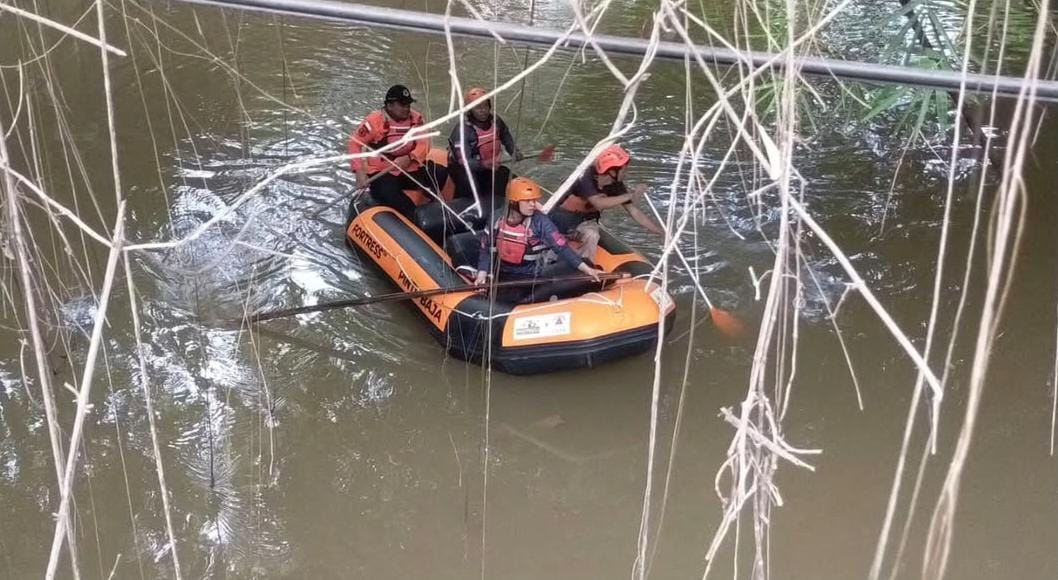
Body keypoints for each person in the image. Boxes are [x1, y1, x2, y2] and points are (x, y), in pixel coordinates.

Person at [475, 177, 603, 287]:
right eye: (527, 201)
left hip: (533, 274)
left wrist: (587, 270)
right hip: (503, 271)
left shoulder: (540, 221)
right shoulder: (496, 218)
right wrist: (482, 272)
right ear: (513, 202)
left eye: (534, 200)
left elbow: (562, 248)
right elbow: (486, 248)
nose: (533, 205)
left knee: (581, 265)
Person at [348, 84, 447, 219]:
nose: (407, 108)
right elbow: (354, 144)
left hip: (410, 166)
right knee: (390, 195)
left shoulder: (416, 119)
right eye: (402, 105)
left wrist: (410, 157)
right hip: (383, 171)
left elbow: (424, 143)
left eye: (408, 104)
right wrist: (359, 172)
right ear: (389, 105)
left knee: (440, 172)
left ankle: (430, 200)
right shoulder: (373, 122)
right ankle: (414, 217)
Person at [549, 144, 664, 259]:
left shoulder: (616, 186)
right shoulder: (585, 177)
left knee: (592, 235)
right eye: (624, 170)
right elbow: (598, 203)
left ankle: (584, 266)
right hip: (560, 219)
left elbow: (635, 212)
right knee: (551, 246)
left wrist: (660, 232)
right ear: (612, 171)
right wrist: (632, 195)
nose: (626, 173)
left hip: (584, 222)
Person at [448, 87, 522, 215]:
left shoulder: (496, 121)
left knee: (511, 180)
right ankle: (462, 212)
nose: (483, 111)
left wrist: (513, 151)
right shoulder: (463, 130)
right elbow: (464, 161)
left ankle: (500, 210)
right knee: (471, 187)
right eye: (478, 107)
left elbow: (506, 136)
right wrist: (483, 164)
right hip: (465, 169)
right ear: (470, 110)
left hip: (488, 166)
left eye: (485, 106)